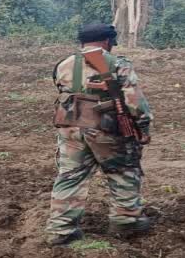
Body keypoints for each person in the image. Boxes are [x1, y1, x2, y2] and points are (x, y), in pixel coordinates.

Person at [46, 24, 152, 246]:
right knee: (123, 169)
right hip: (106, 129)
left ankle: (61, 229)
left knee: (70, 175)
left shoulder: (63, 64)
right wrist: (142, 129)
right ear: (107, 41)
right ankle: (125, 220)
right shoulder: (118, 64)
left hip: (70, 129)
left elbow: (64, 93)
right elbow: (135, 103)